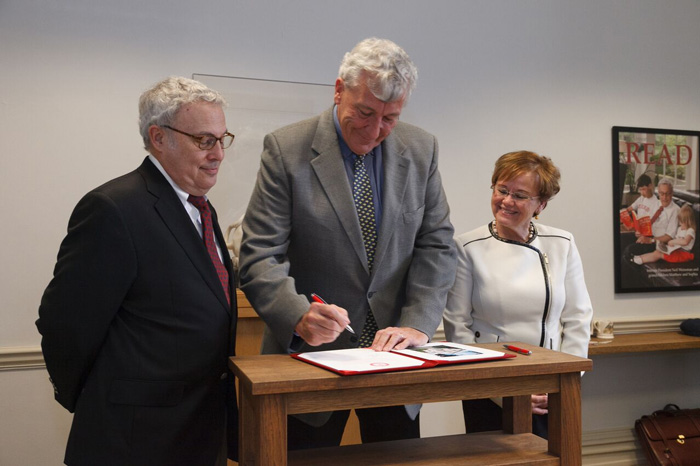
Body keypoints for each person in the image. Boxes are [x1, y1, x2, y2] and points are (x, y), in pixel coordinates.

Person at [239, 37, 456, 449]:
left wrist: (417, 322)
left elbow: (438, 246)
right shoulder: (287, 149)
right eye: (365, 112)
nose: (375, 131)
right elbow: (259, 255)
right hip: (310, 362)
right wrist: (298, 314)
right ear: (339, 91)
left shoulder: (421, 148)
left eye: (390, 118)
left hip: (395, 361)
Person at [36, 76, 238, 466]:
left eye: (221, 138)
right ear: (159, 138)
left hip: (199, 433)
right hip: (131, 439)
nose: (218, 154)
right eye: (204, 141)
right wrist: (98, 400)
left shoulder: (201, 209)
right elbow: (64, 325)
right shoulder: (113, 209)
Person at [443, 150, 593, 439]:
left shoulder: (562, 242)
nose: (507, 201)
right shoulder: (467, 247)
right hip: (490, 388)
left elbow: (578, 316)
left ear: (541, 204)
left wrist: (567, 379)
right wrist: (502, 392)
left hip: (552, 386)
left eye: (520, 195)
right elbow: (457, 328)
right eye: (502, 190)